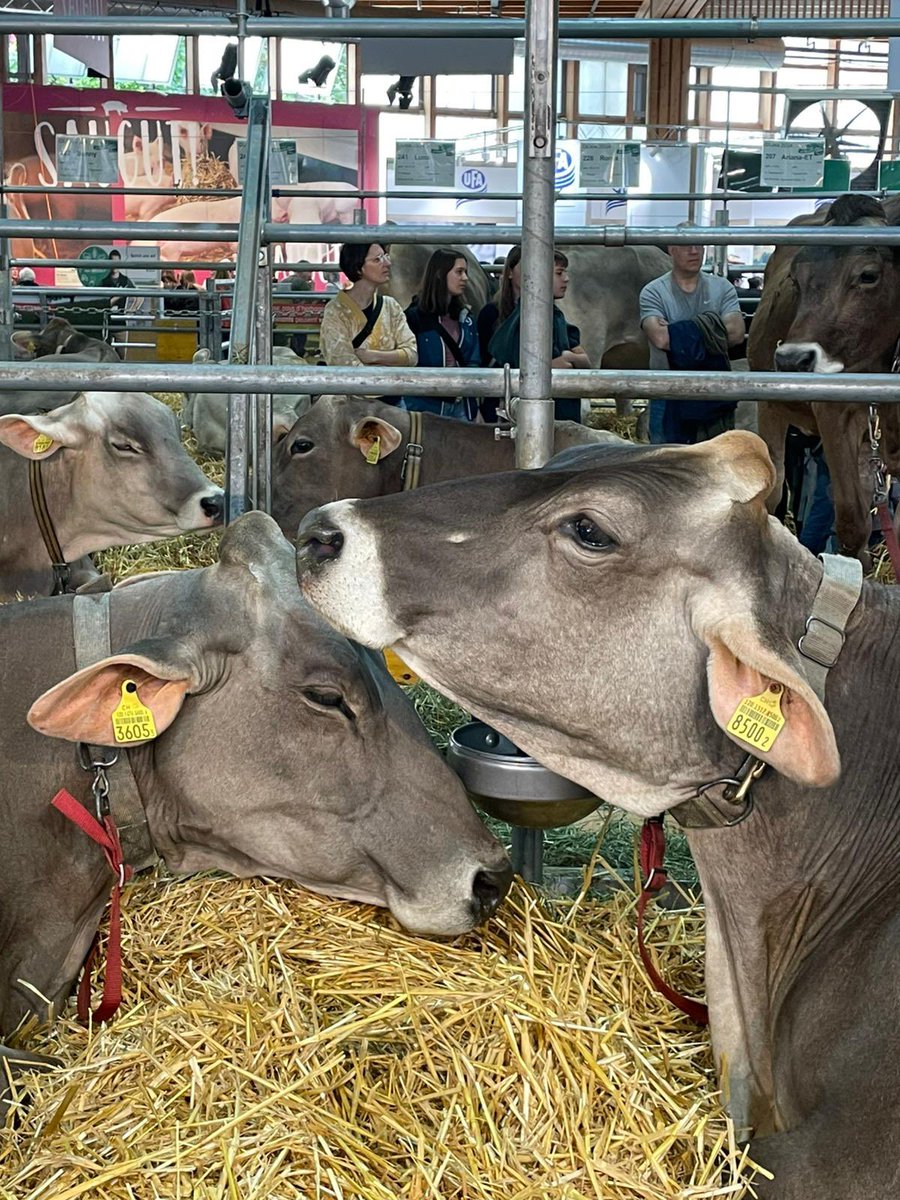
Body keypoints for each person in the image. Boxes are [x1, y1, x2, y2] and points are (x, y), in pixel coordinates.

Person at [639, 230, 744, 445]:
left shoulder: (722, 288)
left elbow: (736, 333)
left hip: (713, 389)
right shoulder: (653, 292)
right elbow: (661, 339)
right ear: (672, 250)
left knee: (714, 460)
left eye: (699, 245)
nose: (694, 251)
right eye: (687, 246)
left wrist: (677, 331)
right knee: (666, 461)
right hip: (667, 390)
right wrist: (712, 326)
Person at [487, 247, 591, 422]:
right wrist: (567, 360)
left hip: (557, 411)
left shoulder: (555, 316)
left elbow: (584, 362)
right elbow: (529, 369)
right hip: (541, 414)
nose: (566, 278)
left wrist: (567, 357)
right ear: (539, 275)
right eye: (559, 273)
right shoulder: (527, 316)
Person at [318, 242, 417, 402]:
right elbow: (343, 365)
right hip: (354, 407)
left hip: (394, 404)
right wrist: (393, 366)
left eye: (385, 256)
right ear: (359, 268)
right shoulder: (336, 311)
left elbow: (412, 355)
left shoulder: (391, 306)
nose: (387, 263)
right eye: (377, 259)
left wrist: (372, 356)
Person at [400, 249, 479, 420]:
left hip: (461, 407)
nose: (465, 278)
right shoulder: (413, 319)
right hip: (424, 408)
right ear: (439, 274)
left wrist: (472, 405)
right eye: (459, 272)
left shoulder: (466, 318)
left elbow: (474, 360)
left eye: (465, 272)